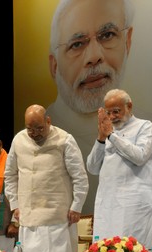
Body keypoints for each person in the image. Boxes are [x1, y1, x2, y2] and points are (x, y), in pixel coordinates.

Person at [46, 0, 135, 161]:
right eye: (77, 44)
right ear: (55, 66)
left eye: (107, 35)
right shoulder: (36, 140)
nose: (94, 57)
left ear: (127, 42)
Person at [4, 104, 89, 252]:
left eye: (39, 128)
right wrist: (14, 204)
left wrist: (77, 206)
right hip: (27, 216)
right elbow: (9, 174)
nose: (34, 133)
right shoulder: (18, 140)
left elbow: (80, 177)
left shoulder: (65, 140)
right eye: (30, 129)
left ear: (48, 121)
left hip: (58, 218)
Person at [86, 89, 152, 252]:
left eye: (116, 111)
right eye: (109, 112)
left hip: (135, 203)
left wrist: (112, 136)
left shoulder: (144, 126)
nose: (113, 116)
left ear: (129, 106)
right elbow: (92, 167)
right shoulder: (107, 132)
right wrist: (101, 139)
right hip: (108, 204)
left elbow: (140, 156)